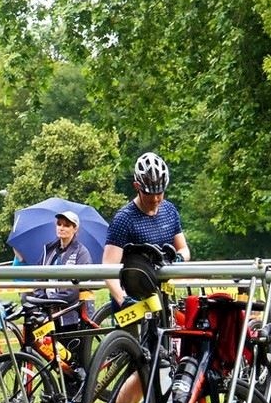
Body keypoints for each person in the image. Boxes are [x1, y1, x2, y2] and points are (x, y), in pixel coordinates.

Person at [103, 152, 190, 309]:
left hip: (161, 292)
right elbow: (109, 266)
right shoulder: (124, 219)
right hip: (130, 292)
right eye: (150, 194)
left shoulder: (169, 210)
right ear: (137, 187)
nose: (156, 199)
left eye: (160, 193)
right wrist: (123, 300)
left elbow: (183, 248)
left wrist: (178, 258)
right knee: (130, 334)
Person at [36, 211, 93, 366]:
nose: (61, 228)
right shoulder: (49, 249)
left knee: (72, 361)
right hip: (49, 313)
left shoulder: (81, 252)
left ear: (75, 229)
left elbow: (75, 288)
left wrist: (51, 302)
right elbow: (38, 277)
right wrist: (41, 300)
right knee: (55, 359)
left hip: (71, 316)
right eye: (59, 224)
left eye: (67, 225)